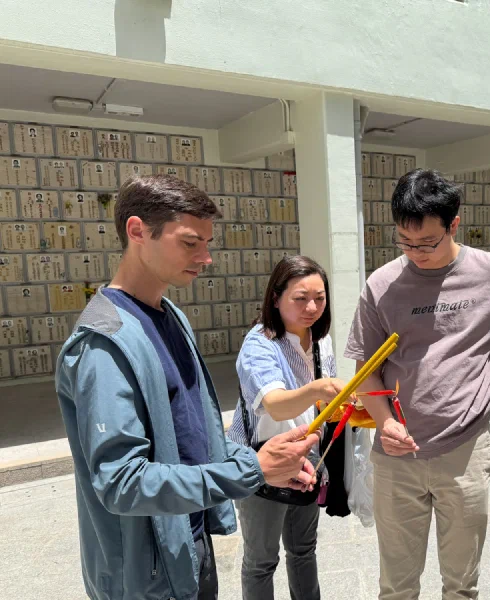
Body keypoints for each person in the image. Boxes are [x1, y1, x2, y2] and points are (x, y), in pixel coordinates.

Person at [55, 175, 319, 600]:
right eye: (191, 242)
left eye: (207, 243)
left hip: (189, 544)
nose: (206, 257)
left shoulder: (171, 315)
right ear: (138, 231)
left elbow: (196, 440)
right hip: (144, 575)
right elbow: (121, 481)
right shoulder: (103, 343)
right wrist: (252, 469)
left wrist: (264, 459)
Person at [345, 168, 490, 599]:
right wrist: (384, 421)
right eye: (404, 242)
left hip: (465, 449)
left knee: (461, 583)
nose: (415, 253)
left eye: (427, 242)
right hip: (396, 455)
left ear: (453, 224)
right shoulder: (381, 286)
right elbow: (365, 369)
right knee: (396, 585)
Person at [228, 255, 351, 600]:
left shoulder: (319, 339)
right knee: (260, 561)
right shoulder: (260, 344)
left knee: (303, 550)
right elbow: (276, 403)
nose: (312, 307)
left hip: (308, 461)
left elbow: (320, 405)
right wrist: (320, 388)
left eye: (320, 298)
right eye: (300, 298)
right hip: (263, 464)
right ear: (275, 298)